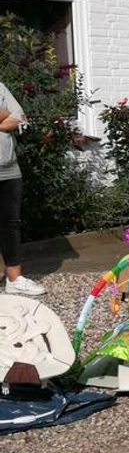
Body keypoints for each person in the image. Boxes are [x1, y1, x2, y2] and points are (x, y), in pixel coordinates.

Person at [0, 83, 43, 296]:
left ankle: (14, 279)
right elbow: (9, 118)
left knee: (10, 224)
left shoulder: (0, 87)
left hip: (8, 168)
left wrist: (8, 116)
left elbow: (19, 117)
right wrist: (3, 115)